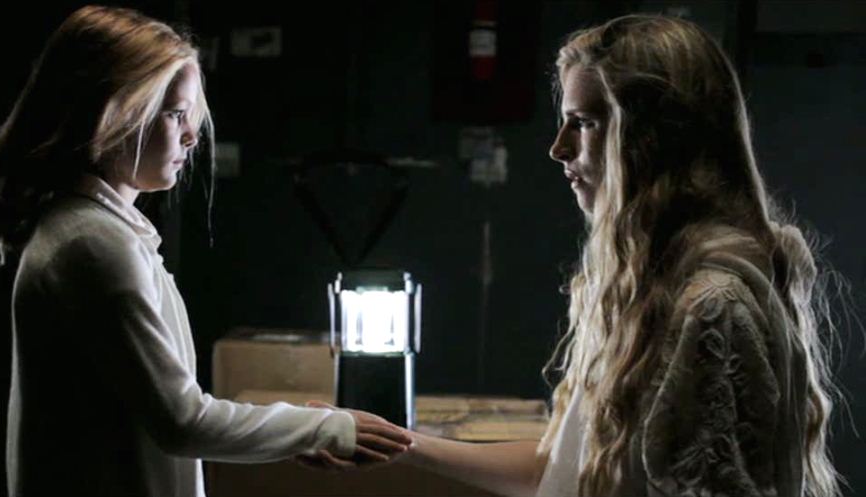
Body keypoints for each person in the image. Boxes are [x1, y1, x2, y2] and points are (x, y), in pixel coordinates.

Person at [307, 14, 841, 497]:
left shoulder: (712, 303)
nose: (558, 147)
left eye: (583, 122)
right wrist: (394, 441)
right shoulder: (645, 283)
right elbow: (562, 471)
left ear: (652, 137)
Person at [0, 5, 410, 497]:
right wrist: (326, 428)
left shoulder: (97, 232)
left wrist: (292, 437)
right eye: (176, 114)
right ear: (114, 111)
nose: (192, 136)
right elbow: (182, 421)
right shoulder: (92, 245)